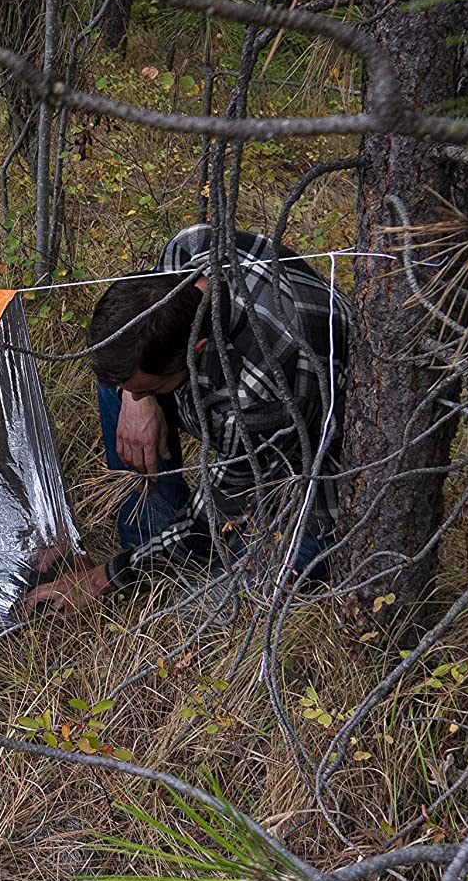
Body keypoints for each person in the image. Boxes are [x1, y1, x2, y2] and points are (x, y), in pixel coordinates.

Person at [21, 223, 352, 614]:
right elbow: (143, 345)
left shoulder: (262, 384)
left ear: (195, 351)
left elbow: (211, 524)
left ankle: (154, 567)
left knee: (206, 605)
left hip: (310, 474)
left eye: (148, 388)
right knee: (119, 379)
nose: (138, 393)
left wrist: (100, 579)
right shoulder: (187, 254)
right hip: (237, 406)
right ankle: (145, 539)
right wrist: (133, 398)